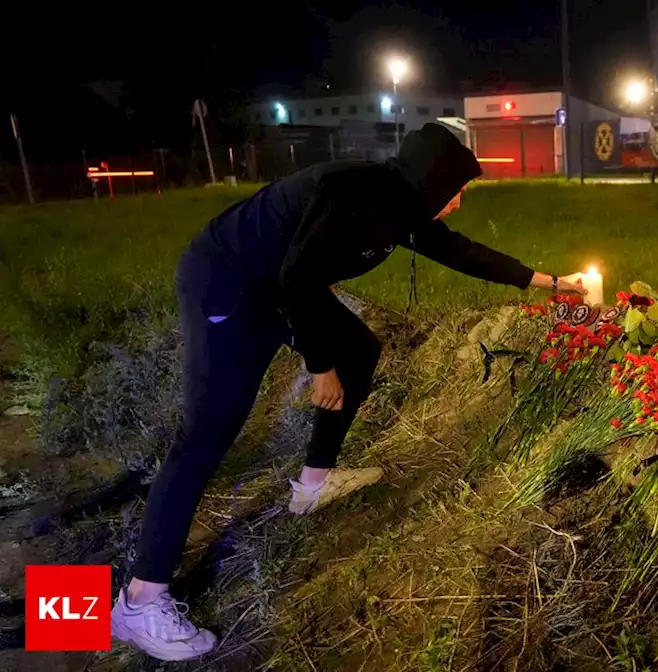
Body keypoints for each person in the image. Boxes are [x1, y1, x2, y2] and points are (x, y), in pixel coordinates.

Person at [109, 123, 586, 661]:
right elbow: (298, 280)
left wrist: (548, 281)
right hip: (230, 283)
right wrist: (319, 366)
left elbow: (458, 252)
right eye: (459, 190)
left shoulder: (404, 204)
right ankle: (139, 603)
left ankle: (314, 482)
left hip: (279, 287)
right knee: (205, 434)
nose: (459, 203)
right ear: (434, 181)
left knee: (360, 349)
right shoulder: (356, 191)